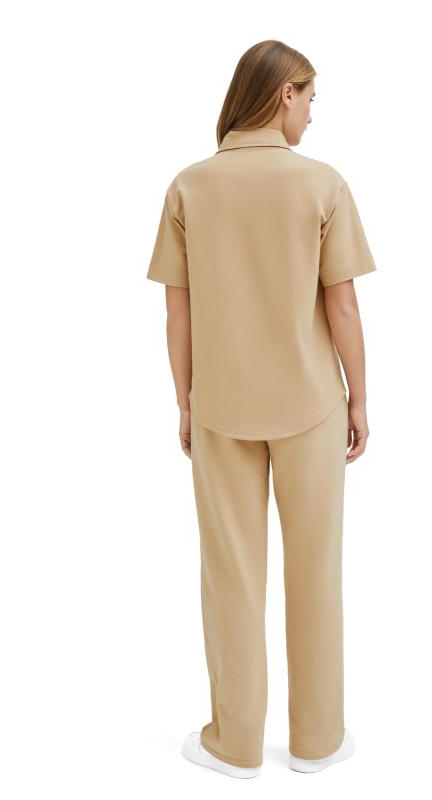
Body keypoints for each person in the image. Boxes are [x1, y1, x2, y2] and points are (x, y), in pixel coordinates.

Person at [146, 39, 377, 779]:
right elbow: (342, 306)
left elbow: (177, 313)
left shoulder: (189, 187)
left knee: (231, 577)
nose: (312, 113)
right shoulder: (322, 184)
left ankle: (234, 745)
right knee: (316, 572)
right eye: (309, 98)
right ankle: (318, 741)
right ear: (284, 94)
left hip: (221, 407)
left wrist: (185, 402)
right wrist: (360, 399)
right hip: (312, 405)